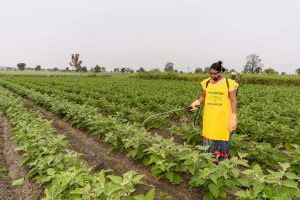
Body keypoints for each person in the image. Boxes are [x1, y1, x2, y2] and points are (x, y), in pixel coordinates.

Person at [190, 61, 238, 162]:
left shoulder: (229, 83)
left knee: (222, 137)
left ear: (220, 72)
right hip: (210, 117)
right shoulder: (206, 82)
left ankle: (221, 161)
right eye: (210, 73)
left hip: (223, 118)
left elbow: (233, 100)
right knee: (209, 137)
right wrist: (197, 102)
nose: (212, 75)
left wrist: (233, 117)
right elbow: (203, 96)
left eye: (215, 73)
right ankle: (209, 160)